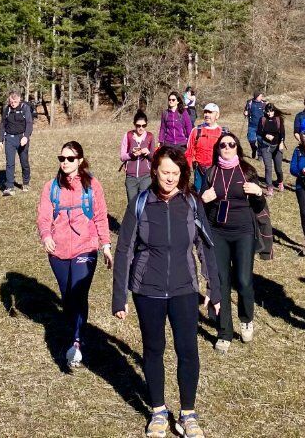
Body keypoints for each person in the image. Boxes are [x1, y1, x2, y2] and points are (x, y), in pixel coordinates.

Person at [112, 147, 219, 438]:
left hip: (185, 288)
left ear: (182, 173)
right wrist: (119, 297)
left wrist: (215, 289)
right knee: (154, 349)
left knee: (188, 350)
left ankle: (188, 414)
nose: (170, 178)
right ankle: (158, 410)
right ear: (154, 171)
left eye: (175, 173)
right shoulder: (140, 202)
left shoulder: (192, 203)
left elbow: (205, 246)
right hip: (147, 289)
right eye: (165, 172)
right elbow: (123, 250)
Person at [37, 141, 112, 370]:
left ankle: (76, 342)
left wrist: (106, 245)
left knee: (78, 293)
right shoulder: (51, 187)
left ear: (80, 160)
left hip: (85, 249)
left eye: (70, 159)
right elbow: (43, 216)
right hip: (58, 250)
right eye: (62, 159)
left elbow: (100, 216)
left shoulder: (92, 186)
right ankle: (74, 329)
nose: (65, 163)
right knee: (68, 297)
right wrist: (46, 236)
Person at [200, 133, 265, 352]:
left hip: (243, 231)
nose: (227, 148)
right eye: (223, 145)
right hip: (217, 232)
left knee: (244, 280)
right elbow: (199, 208)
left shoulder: (247, 171)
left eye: (231, 144)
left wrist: (258, 193)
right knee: (221, 282)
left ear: (237, 148)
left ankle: (246, 319)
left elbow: (258, 207)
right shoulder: (211, 172)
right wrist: (203, 199)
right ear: (217, 149)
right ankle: (224, 331)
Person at [0, 90, 34, 197]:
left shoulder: (25, 108)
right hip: (9, 138)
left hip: (22, 138)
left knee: (24, 162)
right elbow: (2, 125)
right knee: (10, 163)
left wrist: (26, 137)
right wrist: (0, 140)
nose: (12, 104)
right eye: (10, 101)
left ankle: (26, 182)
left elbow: (29, 123)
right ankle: (10, 187)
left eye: (14, 101)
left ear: (19, 100)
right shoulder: (7, 109)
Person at [185, 102, 224, 194]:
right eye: (205, 112)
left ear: (217, 115)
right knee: (198, 194)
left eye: (210, 112)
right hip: (199, 170)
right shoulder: (196, 131)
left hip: (216, 169)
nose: (207, 115)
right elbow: (189, 152)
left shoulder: (222, 133)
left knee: (215, 194)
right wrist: (186, 170)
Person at [121, 111, 157, 206]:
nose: (141, 128)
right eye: (138, 125)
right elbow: (122, 156)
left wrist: (147, 153)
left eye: (143, 126)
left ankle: (143, 221)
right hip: (131, 177)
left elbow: (154, 158)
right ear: (134, 124)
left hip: (146, 177)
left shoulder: (150, 136)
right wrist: (131, 154)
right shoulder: (128, 135)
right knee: (132, 205)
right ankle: (133, 221)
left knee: (144, 204)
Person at [256, 102, 287, 195]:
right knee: (268, 168)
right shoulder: (263, 119)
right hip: (266, 147)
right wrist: (266, 135)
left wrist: (281, 143)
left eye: (271, 111)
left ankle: (280, 182)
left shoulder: (278, 119)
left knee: (278, 168)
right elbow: (259, 132)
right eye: (268, 112)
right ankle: (269, 187)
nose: (270, 113)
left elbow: (282, 133)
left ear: (274, 111)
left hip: (277, 146)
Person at [243, 91, 267, 155]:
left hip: (261, 126)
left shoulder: (263, 103)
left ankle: (260, 156)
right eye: (260, 96)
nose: (261, 97)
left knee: (260, 141)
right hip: (251, 125)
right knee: (251, 140)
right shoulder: (249, 103)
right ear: (256, 96)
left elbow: (267, 113)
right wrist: (245, 113)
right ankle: (254, 148)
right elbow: (246, 110)